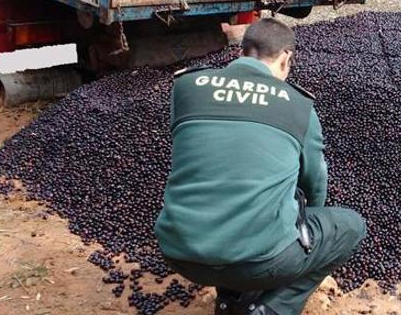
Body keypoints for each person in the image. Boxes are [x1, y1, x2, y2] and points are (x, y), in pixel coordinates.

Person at [154, 18, 366, 315]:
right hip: (261, 262)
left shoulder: (187, 86)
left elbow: (201, 153)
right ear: (286, 58)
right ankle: (271, 310)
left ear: (241, 53)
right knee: (351, 226)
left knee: (229, 187)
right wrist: (302, 219)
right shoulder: (298, 106)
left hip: (180, 253)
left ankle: (229, 301)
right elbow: (314, 183)